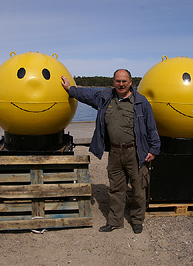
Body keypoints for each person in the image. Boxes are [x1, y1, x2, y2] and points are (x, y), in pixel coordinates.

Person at [61, 69, 160, 234]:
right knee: (116, 188)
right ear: (113, 82)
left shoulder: (141, 102)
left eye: (124, 81)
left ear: (130, 82)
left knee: (138, 189)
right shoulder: (106, 98)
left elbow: (151, 128)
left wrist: (154, 149)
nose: (121, 84)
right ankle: (115, 221)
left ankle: (137, 220)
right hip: (115, 152)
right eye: (118, 81)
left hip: (136, 152)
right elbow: (88, 95)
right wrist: (71, 89)